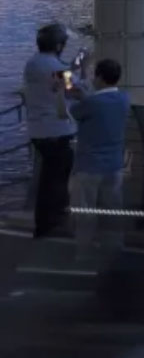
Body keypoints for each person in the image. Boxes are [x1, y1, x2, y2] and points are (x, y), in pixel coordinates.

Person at [66, 56, 130, 255]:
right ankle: (114, 251)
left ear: (100, 78)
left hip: (88, 166)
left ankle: (83, 253)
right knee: (112, 212)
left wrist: (68, 81)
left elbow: (69, 111)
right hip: (114, 166)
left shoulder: (92, 102)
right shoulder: (124, 99)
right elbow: (97, 104)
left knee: (85, 214)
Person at [23, 23, 79, 238]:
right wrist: (80, 69)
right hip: (56, 131)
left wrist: (70, 69)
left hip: (37, 129)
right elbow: (74, 90)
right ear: (58, 45)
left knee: (48, 179)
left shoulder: (33, 63)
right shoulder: (57, 69)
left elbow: (57, 82)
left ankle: (44, 224)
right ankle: (53, 224)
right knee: (57, 180)